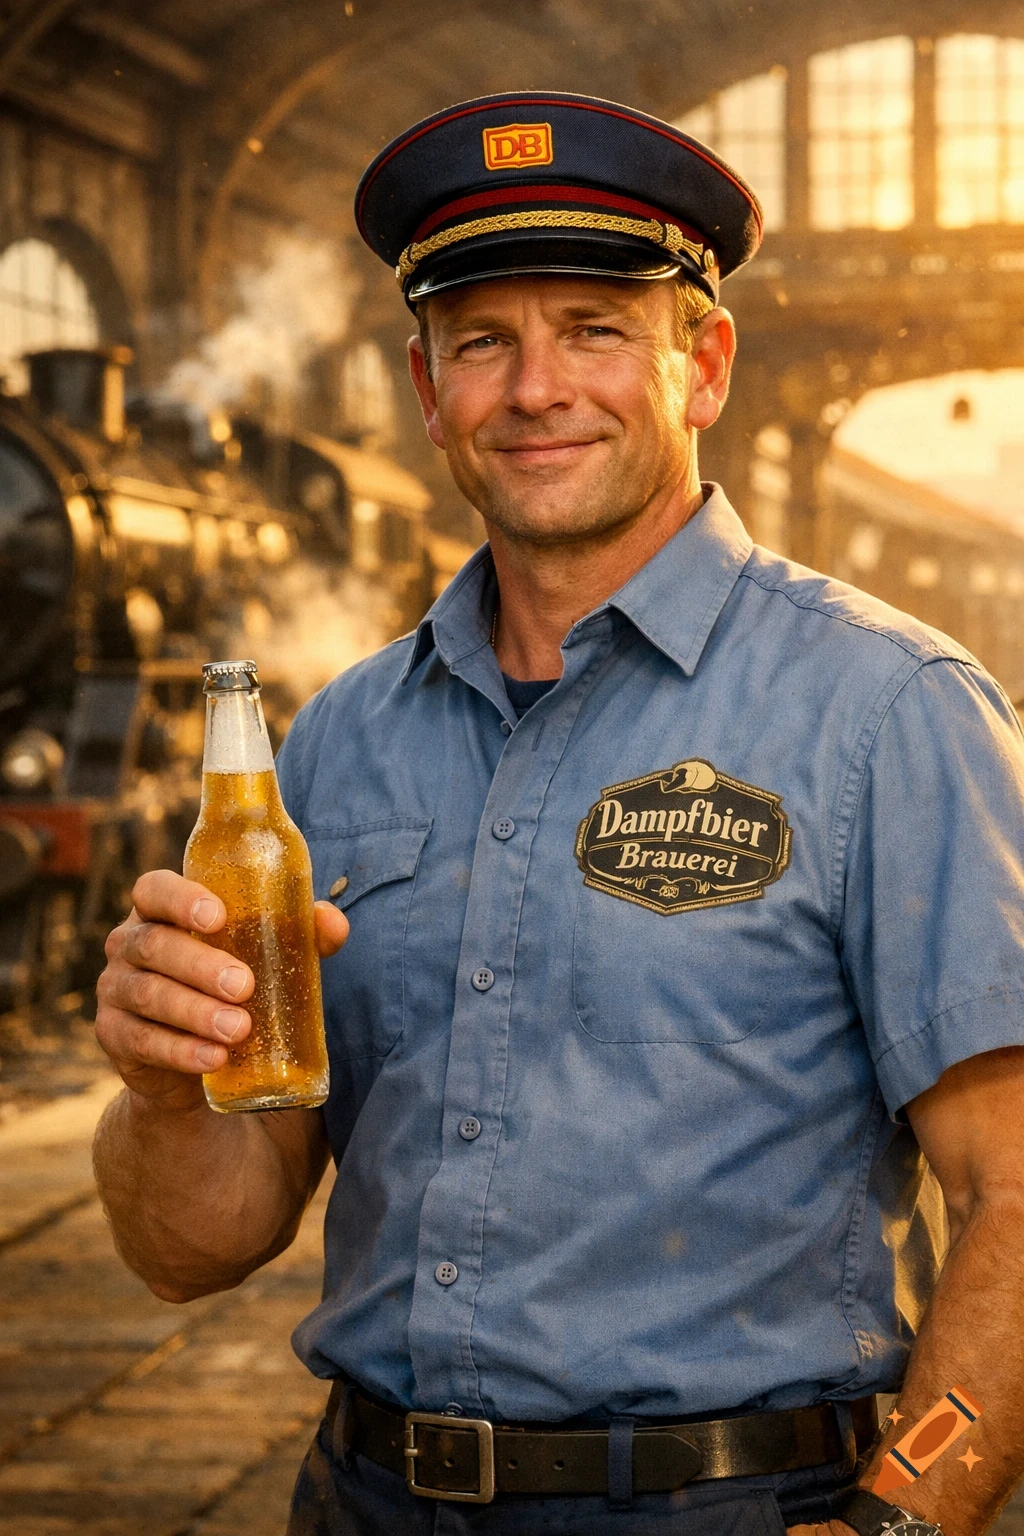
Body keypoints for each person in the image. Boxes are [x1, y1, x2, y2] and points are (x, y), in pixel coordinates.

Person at [93, 92, 1024, 1536]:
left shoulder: (887, 712)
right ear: (427, 388)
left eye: (594, 328)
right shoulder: (338, 739)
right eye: (482, 342)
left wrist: (903, 1521)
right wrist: (161, 1091)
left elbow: (1015, 1193)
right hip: (365, 1503)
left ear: (703, 366)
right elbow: (198, 1247)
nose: (535, 390)